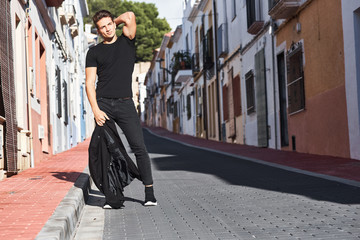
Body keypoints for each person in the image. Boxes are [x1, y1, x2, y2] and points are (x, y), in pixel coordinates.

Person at [85, 10, 157, 208]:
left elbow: (130, 15)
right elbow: (89, 83)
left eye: (109, 24)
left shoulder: (127, 40)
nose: (107, 29)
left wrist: (114, 22)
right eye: (102, 27)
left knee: (138, 147)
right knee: (107, 150)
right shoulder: (94, 52)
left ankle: (149, 193)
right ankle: (112, 195)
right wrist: (96, 110)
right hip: (104, 104)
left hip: (125, 103)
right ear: (98, 31)